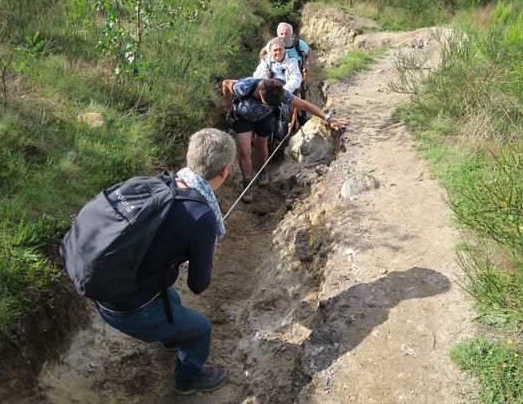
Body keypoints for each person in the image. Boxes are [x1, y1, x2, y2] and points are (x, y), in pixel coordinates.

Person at [95, 128, 236, 396]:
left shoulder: (154, 184)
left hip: (102, 286)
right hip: (128, 309)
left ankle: (170, 338)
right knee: (201, 331)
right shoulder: (201, 216)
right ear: (226, 171)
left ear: (188, 156)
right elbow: (198, 284)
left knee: (172, 298)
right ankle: (189, 379)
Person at [222, 78, 349, 203]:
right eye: (267, 103)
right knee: (245, 151)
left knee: (262, 145)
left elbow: (305, 105)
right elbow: (226, 83)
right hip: (243, 118)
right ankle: (247, 182)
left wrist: (328, 118)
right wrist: (229, 110)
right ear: (260, 92)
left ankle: (263, 170)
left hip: (265, 118)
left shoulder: (280, 92)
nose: (269, 104)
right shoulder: (244, 87)